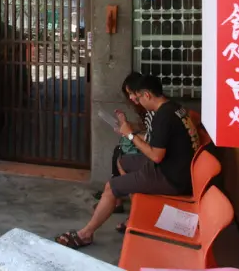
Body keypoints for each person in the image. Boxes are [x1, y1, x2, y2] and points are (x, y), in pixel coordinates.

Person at [55, 74, 201, 249]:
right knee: (123, 161)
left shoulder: (164, 116)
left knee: (111, 187)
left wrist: (130, 135)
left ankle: (85, 234)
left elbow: (155, 156)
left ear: (147, 95)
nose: (136, 101)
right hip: (176, 169)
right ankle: (133, 213)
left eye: (137, 97)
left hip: (170, 177)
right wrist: (128, 129)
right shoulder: (175, 108)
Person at [91, 71, 150, 214]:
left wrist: (129, 134)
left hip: (151, 153)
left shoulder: (154, 109)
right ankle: (113, 191)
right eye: (128, 94)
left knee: (121, 154)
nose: (130, 98)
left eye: (131, 94)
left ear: (143, 92)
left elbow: (152, 138)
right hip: (149, 147)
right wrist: (127, 125)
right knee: (119, 151)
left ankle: (115, 195)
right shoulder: (147, 109)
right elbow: (147, 129)